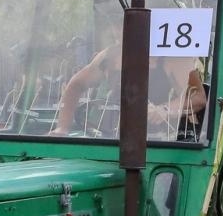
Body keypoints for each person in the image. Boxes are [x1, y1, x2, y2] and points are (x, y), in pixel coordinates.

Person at [50, 27, 208, 140]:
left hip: (159, 145)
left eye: (123, 23)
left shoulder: (172, 58)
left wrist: (165, 109)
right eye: (115, 24)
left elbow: (198, 98)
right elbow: (75, 85)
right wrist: (62, 128)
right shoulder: (110, 56)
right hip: (111, 139)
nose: (118, 30)